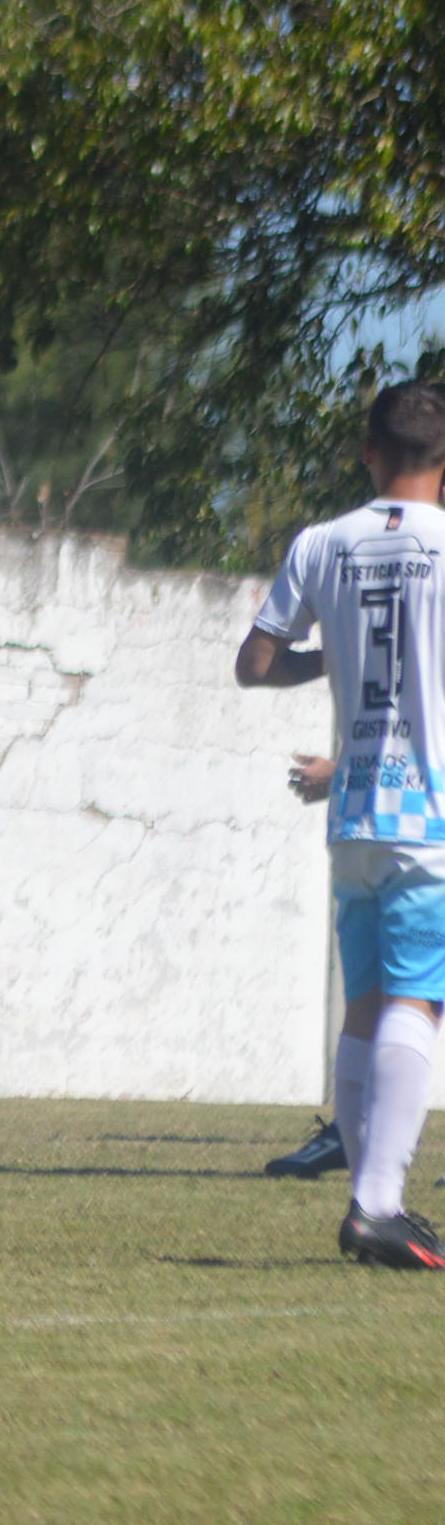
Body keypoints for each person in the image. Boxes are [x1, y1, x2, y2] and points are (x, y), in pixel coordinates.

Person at [236, 380, 445, 1266]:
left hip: (354, 807)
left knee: (365, 1004)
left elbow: (255, 663)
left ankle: (373, 1200)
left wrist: (341, 659)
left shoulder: (321, 543)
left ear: (368, 451)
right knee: (419, 1001)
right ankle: (376, 1203)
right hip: (428, 816)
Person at [266, 750, 352, 1178]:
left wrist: (342, 771)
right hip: (388, 834)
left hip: (417, 843)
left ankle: (351, 1135)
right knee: (378, 998)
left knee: (396, 1000)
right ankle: (351, 1133)